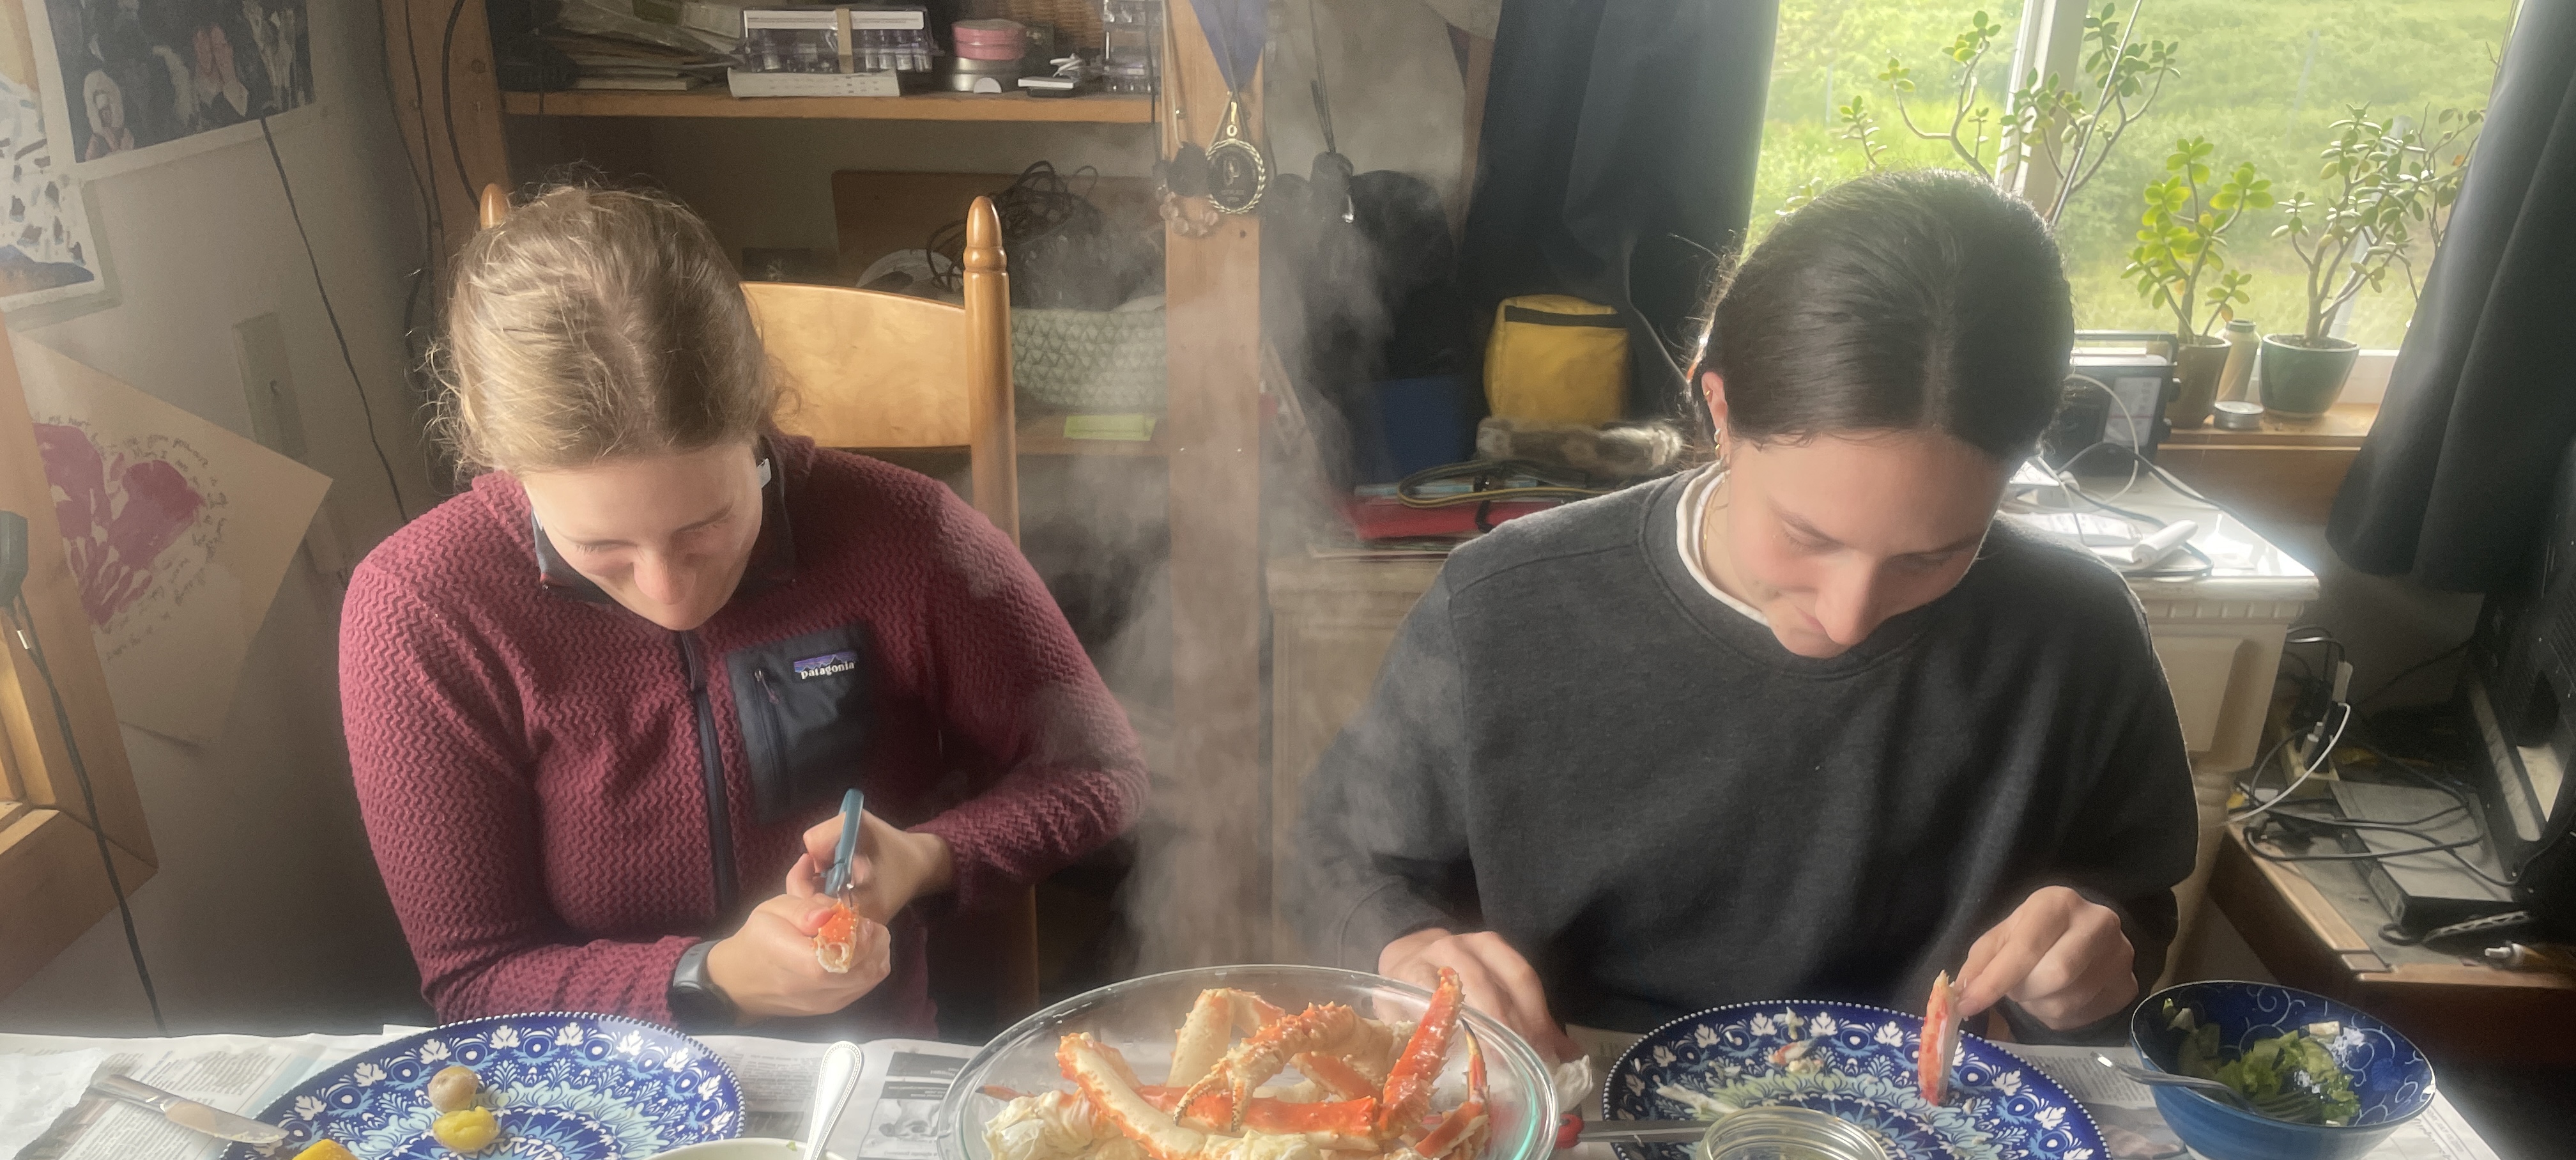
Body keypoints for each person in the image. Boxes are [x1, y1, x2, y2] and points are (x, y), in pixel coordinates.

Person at [1293, 171, 2198, 1058]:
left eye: (1932, 556)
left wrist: (2094, 954)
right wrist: (1401, 944)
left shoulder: (2079, 636)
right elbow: (1339, 855)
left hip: (1912, 1127)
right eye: (1806, 535)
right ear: (1717, 405)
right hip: (1575, 1100)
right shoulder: (1503, 604)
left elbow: (2132, 898)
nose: (1848, 620)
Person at [342, 183, 1146, 1035]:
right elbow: (475, 980)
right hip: (599, 1092)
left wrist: (925, 859)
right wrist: (706, 978)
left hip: (859, 1074)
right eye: (601, 549)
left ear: (757, 418)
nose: (670, 591)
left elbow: (1102, 772)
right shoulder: (422, 609)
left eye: (708, 527)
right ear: (500, 458)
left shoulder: (909, 536)